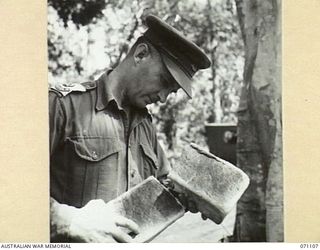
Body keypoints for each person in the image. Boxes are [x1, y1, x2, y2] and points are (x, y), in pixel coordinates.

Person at [49, 14, 211, 242]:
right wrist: (69, 221)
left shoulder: (146, 127)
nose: (164, 98)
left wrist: (188, 194)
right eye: (165, 82)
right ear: (141, 54)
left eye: (172, 91)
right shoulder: (63, 106)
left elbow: (163, 187)